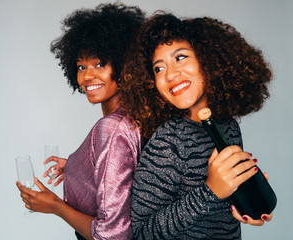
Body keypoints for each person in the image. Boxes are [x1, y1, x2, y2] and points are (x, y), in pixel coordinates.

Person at [119, 13, 273, 239]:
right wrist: (210, 191)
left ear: (208, 60)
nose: (170, 74)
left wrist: (245, 202)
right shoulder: (168, 141)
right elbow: (142, 233)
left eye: (180, 58)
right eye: (158, 68)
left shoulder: (227, 126)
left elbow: (219, 208)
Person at [16, 3, 145, 240]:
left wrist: (55, 206)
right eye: (81, 66)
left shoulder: (111, 127)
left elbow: (112, 235)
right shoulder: (132, 117)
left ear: (125, 63)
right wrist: (77, 166)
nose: (87, 76)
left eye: (99, 64)